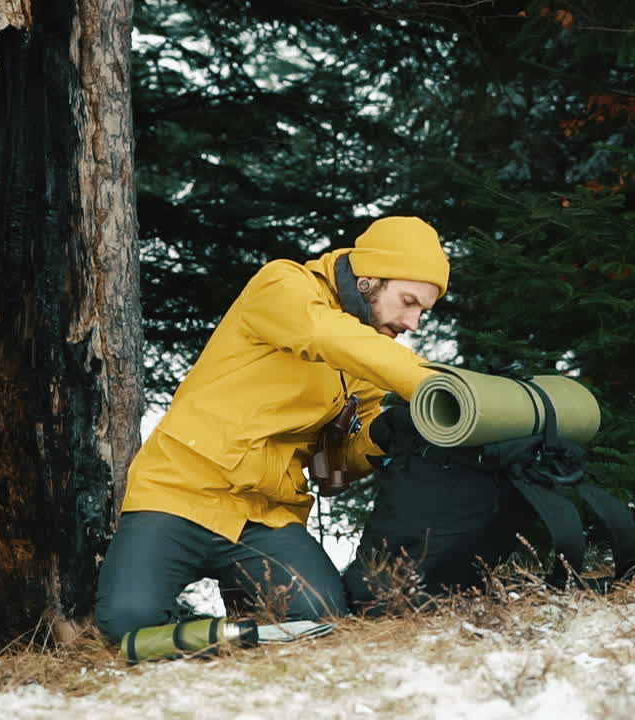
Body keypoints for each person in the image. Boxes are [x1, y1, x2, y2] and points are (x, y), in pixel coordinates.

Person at [94, 216, 450, 643]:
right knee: (128, 623)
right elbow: (324, 334)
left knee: (321, 621)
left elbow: (336, 462)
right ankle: (232, 634)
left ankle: (236, 635)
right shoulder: (282, 286)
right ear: (368, 279)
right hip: (180, 492)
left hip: (267, 514)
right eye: (408, 301)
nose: (413, 323)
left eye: (423, 312)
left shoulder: (373, 355)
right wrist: (441, 387)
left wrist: (380, 437)